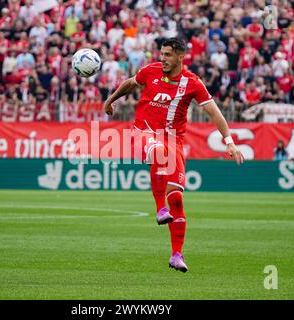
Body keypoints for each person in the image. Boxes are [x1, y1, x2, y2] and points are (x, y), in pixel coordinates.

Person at [104, 38, 245, 273]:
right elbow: (130, 84)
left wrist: (229, 142)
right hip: (144, 132)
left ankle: (176, 255)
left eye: (168, 55)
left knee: (177, 199)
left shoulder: (192, 83)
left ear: (181, 57)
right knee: (158, 152)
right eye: (162, 53)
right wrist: (110, 100)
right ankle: (160, 209)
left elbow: (214, 112)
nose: (163, 58)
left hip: (174, 142)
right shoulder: (151, 71)